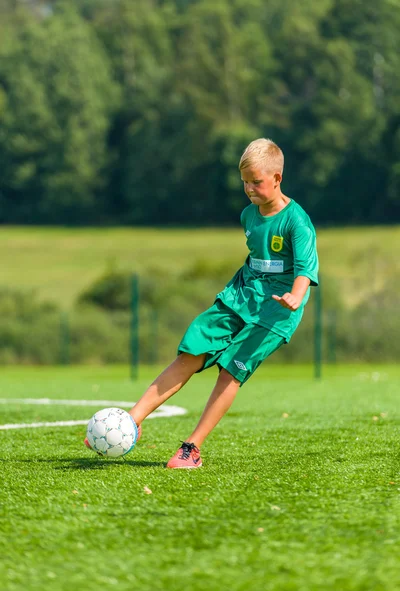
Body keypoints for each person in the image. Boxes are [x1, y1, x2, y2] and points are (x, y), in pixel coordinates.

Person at [85, 138, 319, 468]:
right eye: (245, 183)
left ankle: (191, 449)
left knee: (230, 370)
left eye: (257, 182)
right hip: (241, 296)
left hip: (278, 310)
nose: (250, 189)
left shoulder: (297, 222)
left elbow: (306, 269)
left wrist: (295, 295)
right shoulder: (248, 215)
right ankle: (130, 422)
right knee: (192, 350)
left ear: (277, 178)